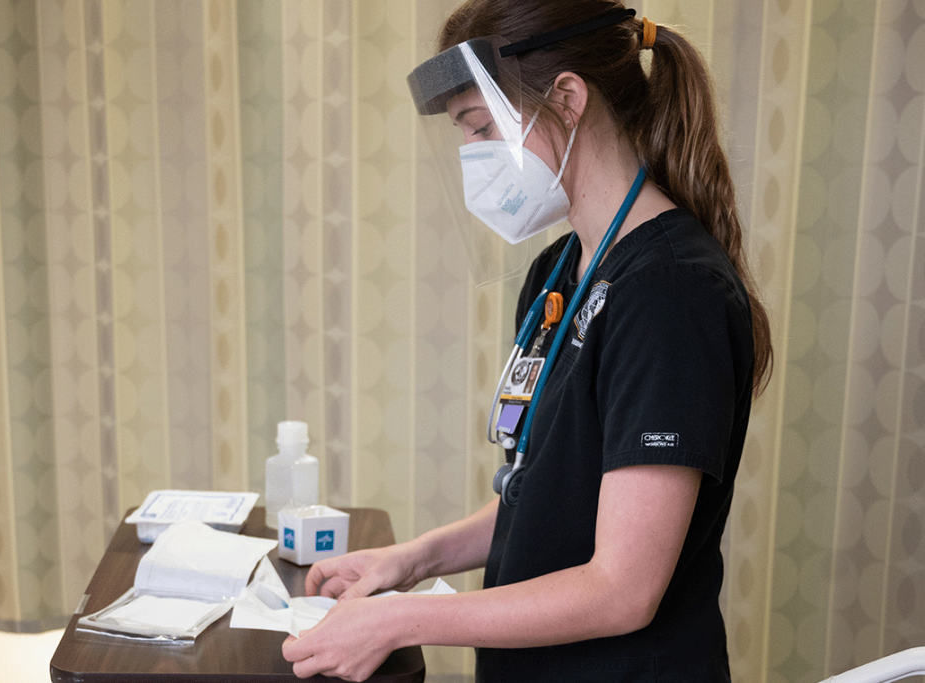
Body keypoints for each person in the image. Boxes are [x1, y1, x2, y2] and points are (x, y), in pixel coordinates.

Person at [281, 0, 773, 680]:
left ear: (568, 99)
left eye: (482, 128)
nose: (473, 158)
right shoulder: (559, 275)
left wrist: (401, 617)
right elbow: (540, 493)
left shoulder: (671, 293)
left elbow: (623, 587)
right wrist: (411, 560)